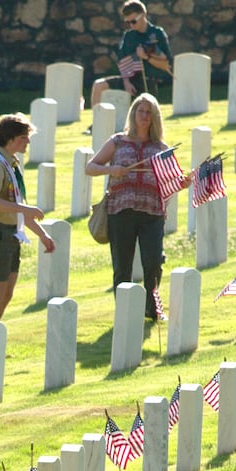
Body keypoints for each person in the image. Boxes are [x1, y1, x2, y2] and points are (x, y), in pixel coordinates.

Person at [85, 93, 191, 320]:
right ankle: (125, 311)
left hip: (152, 212)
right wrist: (111, 171)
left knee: (153, 262)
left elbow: (171, 181)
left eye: (149, 113)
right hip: (121, 211)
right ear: (133, 114)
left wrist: (183, 183)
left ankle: (152, 308)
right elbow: (90, 167)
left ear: (155, 118)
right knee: (122, 264)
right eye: (140, 111)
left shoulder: (161, 148)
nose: (144, 116)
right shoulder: (117, 141)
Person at [0, 114, 56, 353]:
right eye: (23, 138)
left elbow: (15, 205)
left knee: (6, 293)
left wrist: (42, 234)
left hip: (10, 233)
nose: (27, 143)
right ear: (10, 138)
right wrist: (24, 209)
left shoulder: (10, 164)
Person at [90, 1, 173, 112]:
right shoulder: (129, 36)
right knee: (99, 85)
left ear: (143, 15)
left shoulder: (157, 33)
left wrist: (146, 57)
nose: (131, 25)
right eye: (128, 22)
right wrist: (126, 82)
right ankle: (96, 123)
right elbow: (122, 61)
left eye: (134, 21)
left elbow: (166, 64)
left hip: (148, 82)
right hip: (130, 79)